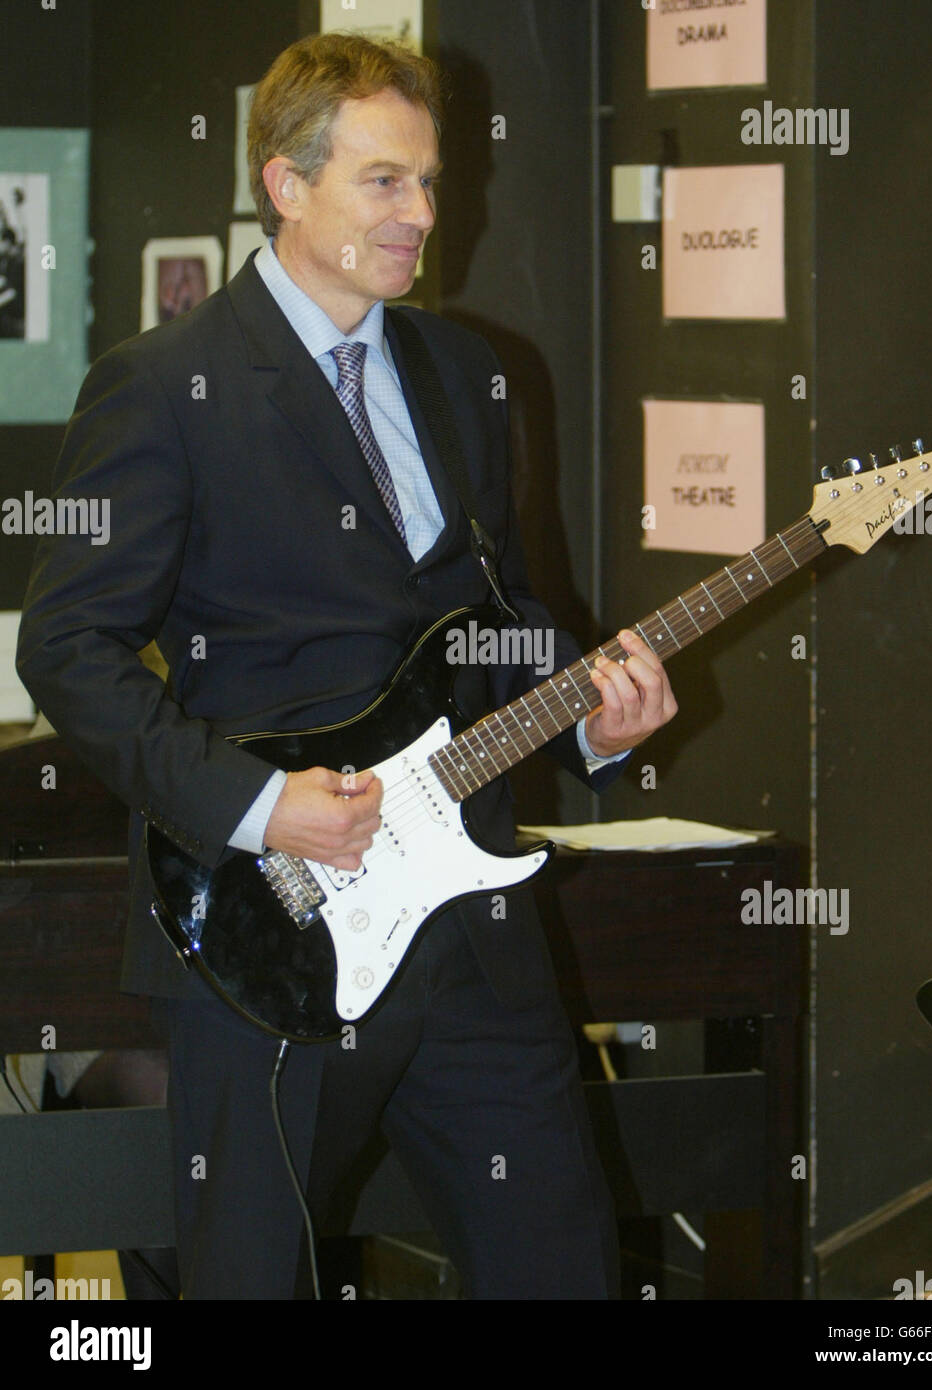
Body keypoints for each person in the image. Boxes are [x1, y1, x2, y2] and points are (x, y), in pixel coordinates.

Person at [16, 32, 677, 1299]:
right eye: (385, 182)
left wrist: (595, 725)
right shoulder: (163, 387)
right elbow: (67, 643)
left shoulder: (470, 373)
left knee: (562, 1268)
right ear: (285, 182)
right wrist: (262, 806)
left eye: (430, 181)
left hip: (476, 928)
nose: (422, 214)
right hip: (270, 929)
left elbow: (503, 616)